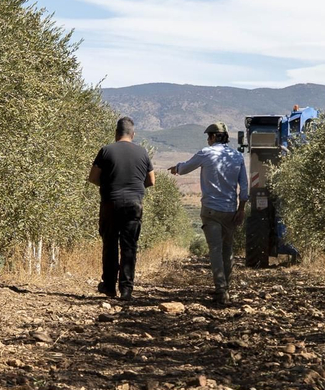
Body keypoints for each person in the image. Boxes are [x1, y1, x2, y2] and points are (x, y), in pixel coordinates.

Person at [170, 122, 249, 306]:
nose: (208, 140)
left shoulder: (206, 153)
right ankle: (226, 288)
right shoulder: (237, 156)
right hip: (230, 210)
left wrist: (176, 168)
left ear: (213, 137)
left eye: (209, 137)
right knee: (227, 249)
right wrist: (242, 208)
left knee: (215, 249)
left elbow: (184, 168)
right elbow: (244, 187)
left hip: (211, 210)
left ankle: (221, 290)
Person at [87, 116, 155, 300]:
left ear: (116, 133)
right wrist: (134, 188)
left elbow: (93, 178)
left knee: (110, 245)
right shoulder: (142, 152)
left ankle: (109, 287)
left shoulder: (106, 151)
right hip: (134, 205)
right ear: (133, 134)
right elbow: (151, 180)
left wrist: (109, 184)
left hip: (111, 203)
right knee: (129, 247)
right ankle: (126, 289)